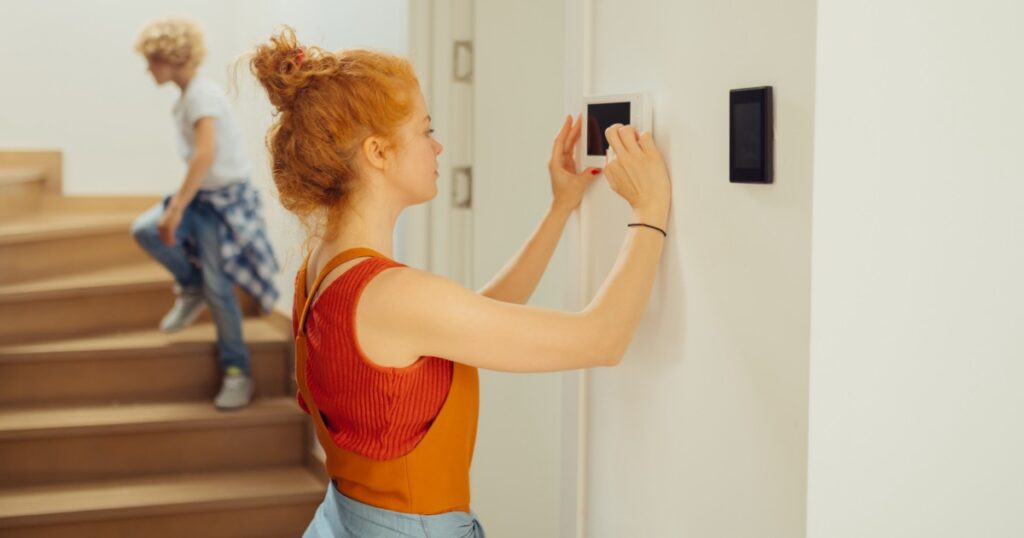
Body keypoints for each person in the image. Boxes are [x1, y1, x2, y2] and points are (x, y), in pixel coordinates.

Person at [248, 27, 671, 537]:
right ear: (378, 152)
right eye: (425, 130)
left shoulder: (320, 271)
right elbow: (602, 339)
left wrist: (560, 208)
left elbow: (472, 321)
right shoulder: (394, 296)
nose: (438, 145)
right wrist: (650, 208)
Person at [130, 17, 279, 410]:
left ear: (172, 58)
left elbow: (205, 154)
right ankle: (190, 284)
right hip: (203, 197)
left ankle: (237, 371)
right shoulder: (187, 98)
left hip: (222, 203)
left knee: (219, 286)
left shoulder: (201, 95)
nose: (148, 69)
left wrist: (176, 208)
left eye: (152, 61)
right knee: (146, 230)